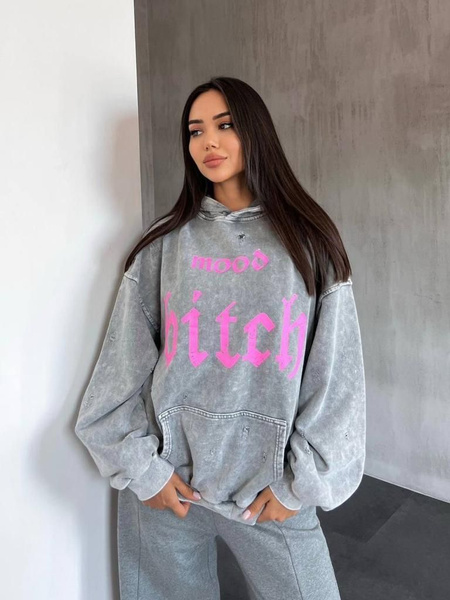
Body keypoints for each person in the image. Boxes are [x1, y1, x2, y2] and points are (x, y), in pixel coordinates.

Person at [75, 76, 366, 600]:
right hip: (168, 490)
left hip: (267, 493)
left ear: (255, 132)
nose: (208, 141)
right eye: (195, 131)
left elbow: (336, 380)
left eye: (225, 125)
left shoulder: (310, 244)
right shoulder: (163, 247)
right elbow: (117, 375)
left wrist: (297, 486)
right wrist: (145, 472)